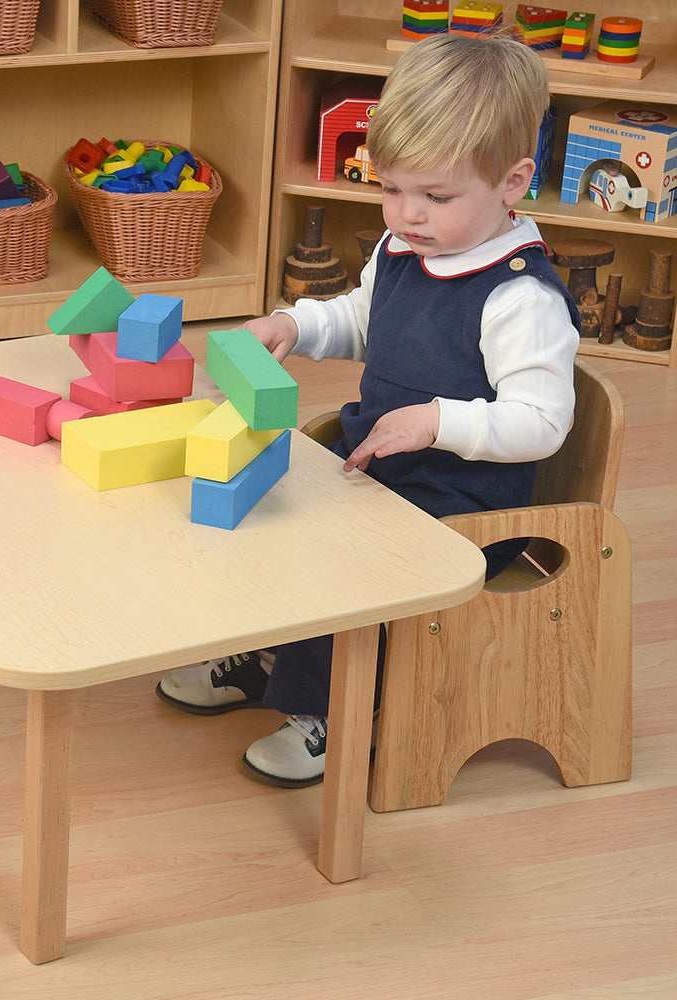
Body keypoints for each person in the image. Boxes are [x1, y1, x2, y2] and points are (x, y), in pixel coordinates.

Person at [155, 30, 582, 787]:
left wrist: (440, 420)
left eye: (435, 197)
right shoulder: (403, 248)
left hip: (462, 510)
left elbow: (543, 422)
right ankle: (264, 658)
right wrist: (297, 324)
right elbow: (367, 316)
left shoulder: (519, 296)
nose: (407, 215)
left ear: (513, 182)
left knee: (342, 560)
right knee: (265, 505)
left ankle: (327, 714)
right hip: (378, 469)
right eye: (391, 189)